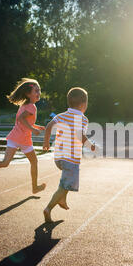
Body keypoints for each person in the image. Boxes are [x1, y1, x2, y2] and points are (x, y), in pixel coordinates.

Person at [0, 78, 46, 194]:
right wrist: (33, 129)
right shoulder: (31, 107)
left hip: (15, 137)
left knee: (5, 162)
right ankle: (34, 187)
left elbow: (24, 121)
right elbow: (21, 119)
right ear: (28, 94)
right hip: (23, 139)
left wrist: (37, 127)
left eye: (39, 90)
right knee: (34, 162)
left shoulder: (25, 105)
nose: (38, 93)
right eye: (36, 91)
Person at [42, 87, 95, 222]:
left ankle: (62, 201)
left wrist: (46, 143)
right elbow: (80, 135)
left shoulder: (60, 116)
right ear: (84, 105)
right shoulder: (83, 119)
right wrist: (91, 146)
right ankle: (48, 208)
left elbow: (48, 126)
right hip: (71, 159)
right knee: (65, 185)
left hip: (58, 158)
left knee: (66, 183)